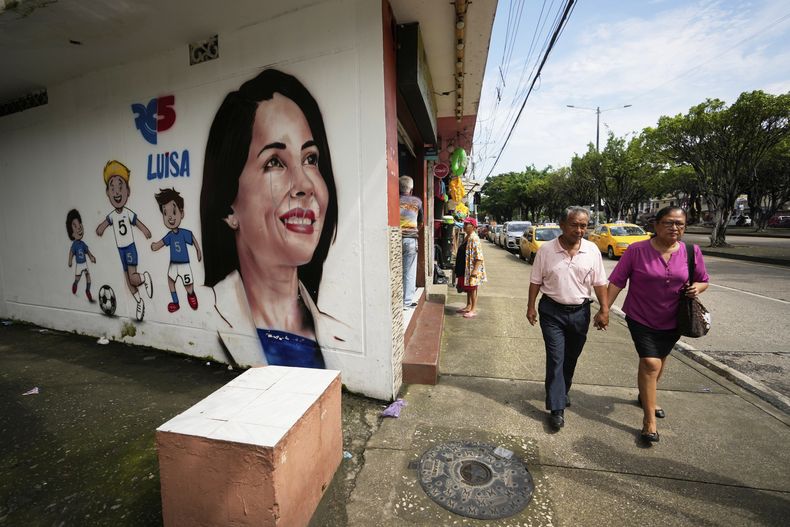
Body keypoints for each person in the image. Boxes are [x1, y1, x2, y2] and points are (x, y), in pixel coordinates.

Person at [200, 68, 355, 369]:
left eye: (310, 159)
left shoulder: (342, 337)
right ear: (228, 206)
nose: (306, 185)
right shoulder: (205, 314)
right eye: (274, 162)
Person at [606, 206, 709, 443]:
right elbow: (617, 282)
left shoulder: (691, 252)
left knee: (660, 360)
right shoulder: (636, 250)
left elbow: (703, 280)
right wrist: (605, 310)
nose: (675, 228)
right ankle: (648, 420)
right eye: (669, 223)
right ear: (656, 225)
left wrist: (697, 288)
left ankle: (646, 396)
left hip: (674, 319)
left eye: (680, 224)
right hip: (641, 316)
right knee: (650, 362)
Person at [526, 206, 609, 430]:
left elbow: (600, 282)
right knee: (556, 358)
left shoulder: (592, 250)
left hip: (580, 313)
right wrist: (530, 307)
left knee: (571, 357)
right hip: (552, 312)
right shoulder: (546, 250)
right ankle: (556, 408)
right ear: (562, 225)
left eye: (584, 225)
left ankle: (562, 391)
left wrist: (604, 309)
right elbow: (535, 280)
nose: (580, 230)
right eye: (575, 225)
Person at [96, 160, 153, 321]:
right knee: (128, 282)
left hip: (129, 248)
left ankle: (144, 278)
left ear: (127, 191)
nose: (116, 192)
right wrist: (100, 228)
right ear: (107, 193)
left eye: (120, 187)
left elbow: (137, 222)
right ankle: (139, 302)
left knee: (133, 278)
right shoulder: (113, 215)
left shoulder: (127, 213)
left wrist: (145, 230)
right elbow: (104, 224)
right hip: (121, 250)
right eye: (112, 188)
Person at [151, 188, 202, 313]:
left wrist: (198, 251)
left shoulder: (184, 233)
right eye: (165, 213)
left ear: (181, 213)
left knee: (188, 285)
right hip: (173, 264)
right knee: (170, 281)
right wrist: (155, 246)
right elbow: (162, 243)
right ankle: (176, 303)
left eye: (173, 212)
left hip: (184, 264)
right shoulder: (169, 235)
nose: (170, 217)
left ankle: (191, 295)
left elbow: (194, 240)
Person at [399, 175, 423, 309]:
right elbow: (421, 222)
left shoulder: (393, 199)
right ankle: (406, 302)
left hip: (395, 239)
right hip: (410, 239)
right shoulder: (417, 202)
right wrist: (414, 230)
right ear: (411, 189)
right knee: (409, 271)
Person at [66, 209, 97, 302]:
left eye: (79, 224)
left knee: (88, 277)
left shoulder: (83, 244)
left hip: (84, 264)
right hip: (79, 265)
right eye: (75, 226)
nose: (79, 227)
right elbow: (71, 253)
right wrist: (70, 261)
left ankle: (87, 290)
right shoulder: (74, 245)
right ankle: (75, 284)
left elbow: (87, 251)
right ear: (71, 233)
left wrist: (91, 257)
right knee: (78, 279)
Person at [457, 217, 485, 317]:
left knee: (472, 288)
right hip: (466, 267)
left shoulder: (474, 238)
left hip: (472, 268)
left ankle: (473, 309)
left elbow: (479, 256)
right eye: (464, 224)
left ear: (473, 226)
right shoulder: (468, 236)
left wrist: (475, 270)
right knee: (468, 288)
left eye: (466, 224)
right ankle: (468, 306)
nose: (464, 226)